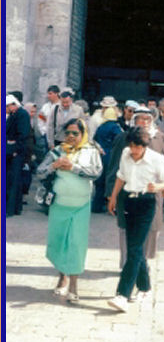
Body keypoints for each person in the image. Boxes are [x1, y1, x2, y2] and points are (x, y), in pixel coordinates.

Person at [107, 127, 164, 313]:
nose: (134, 150)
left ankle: (122, 294)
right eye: (132, 146)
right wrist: (113, 197)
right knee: (134, 247)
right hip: (128, 201)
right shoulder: (125, 153)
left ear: (145, 146)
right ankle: (145, 287)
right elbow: (120, 176)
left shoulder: (157, 160)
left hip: (146, 202)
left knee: (135, 248)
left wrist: (157, 186)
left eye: (138, 147)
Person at [36, 118, 102, 303]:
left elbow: (96, 173)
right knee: (58, 242)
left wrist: (73, 167)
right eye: (68, 133)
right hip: (59, 206)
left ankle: (73, 284)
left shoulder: (91, 151)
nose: (71, 136)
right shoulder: (57, 151)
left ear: (83, 134)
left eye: (76, 133)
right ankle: (62, 276)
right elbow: (39, 172)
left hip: (80, 206)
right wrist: (53, 166)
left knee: (76, 244)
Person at [105, 107, 164, 267]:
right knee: (127, 230)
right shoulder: (124, 138)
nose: (145, 122)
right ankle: (127, 264)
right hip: (128, 193)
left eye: (148, 119)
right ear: (134, 120)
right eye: (141, 119)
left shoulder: (159, 137)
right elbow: (114, 168)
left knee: (152, 228)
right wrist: (111, 194)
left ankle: (143, 264)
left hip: (152, 193)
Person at [91, 107, 122, 213]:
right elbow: (120, 139)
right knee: (111, 181)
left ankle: (96, 206)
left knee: (99, 183)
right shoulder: (115, 127)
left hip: (101, 155)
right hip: (112, 156)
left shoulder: (101, 127)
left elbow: (94, 140)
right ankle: (112, 206)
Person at [6, 94, 31, 217]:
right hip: (12, 151)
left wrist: (15, 148)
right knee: (12, 181)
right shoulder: (15, 114)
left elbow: (22, 135)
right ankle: (12, 208)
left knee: (14, 181)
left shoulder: (22, 115)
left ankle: (11, 209)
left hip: (16, 153)